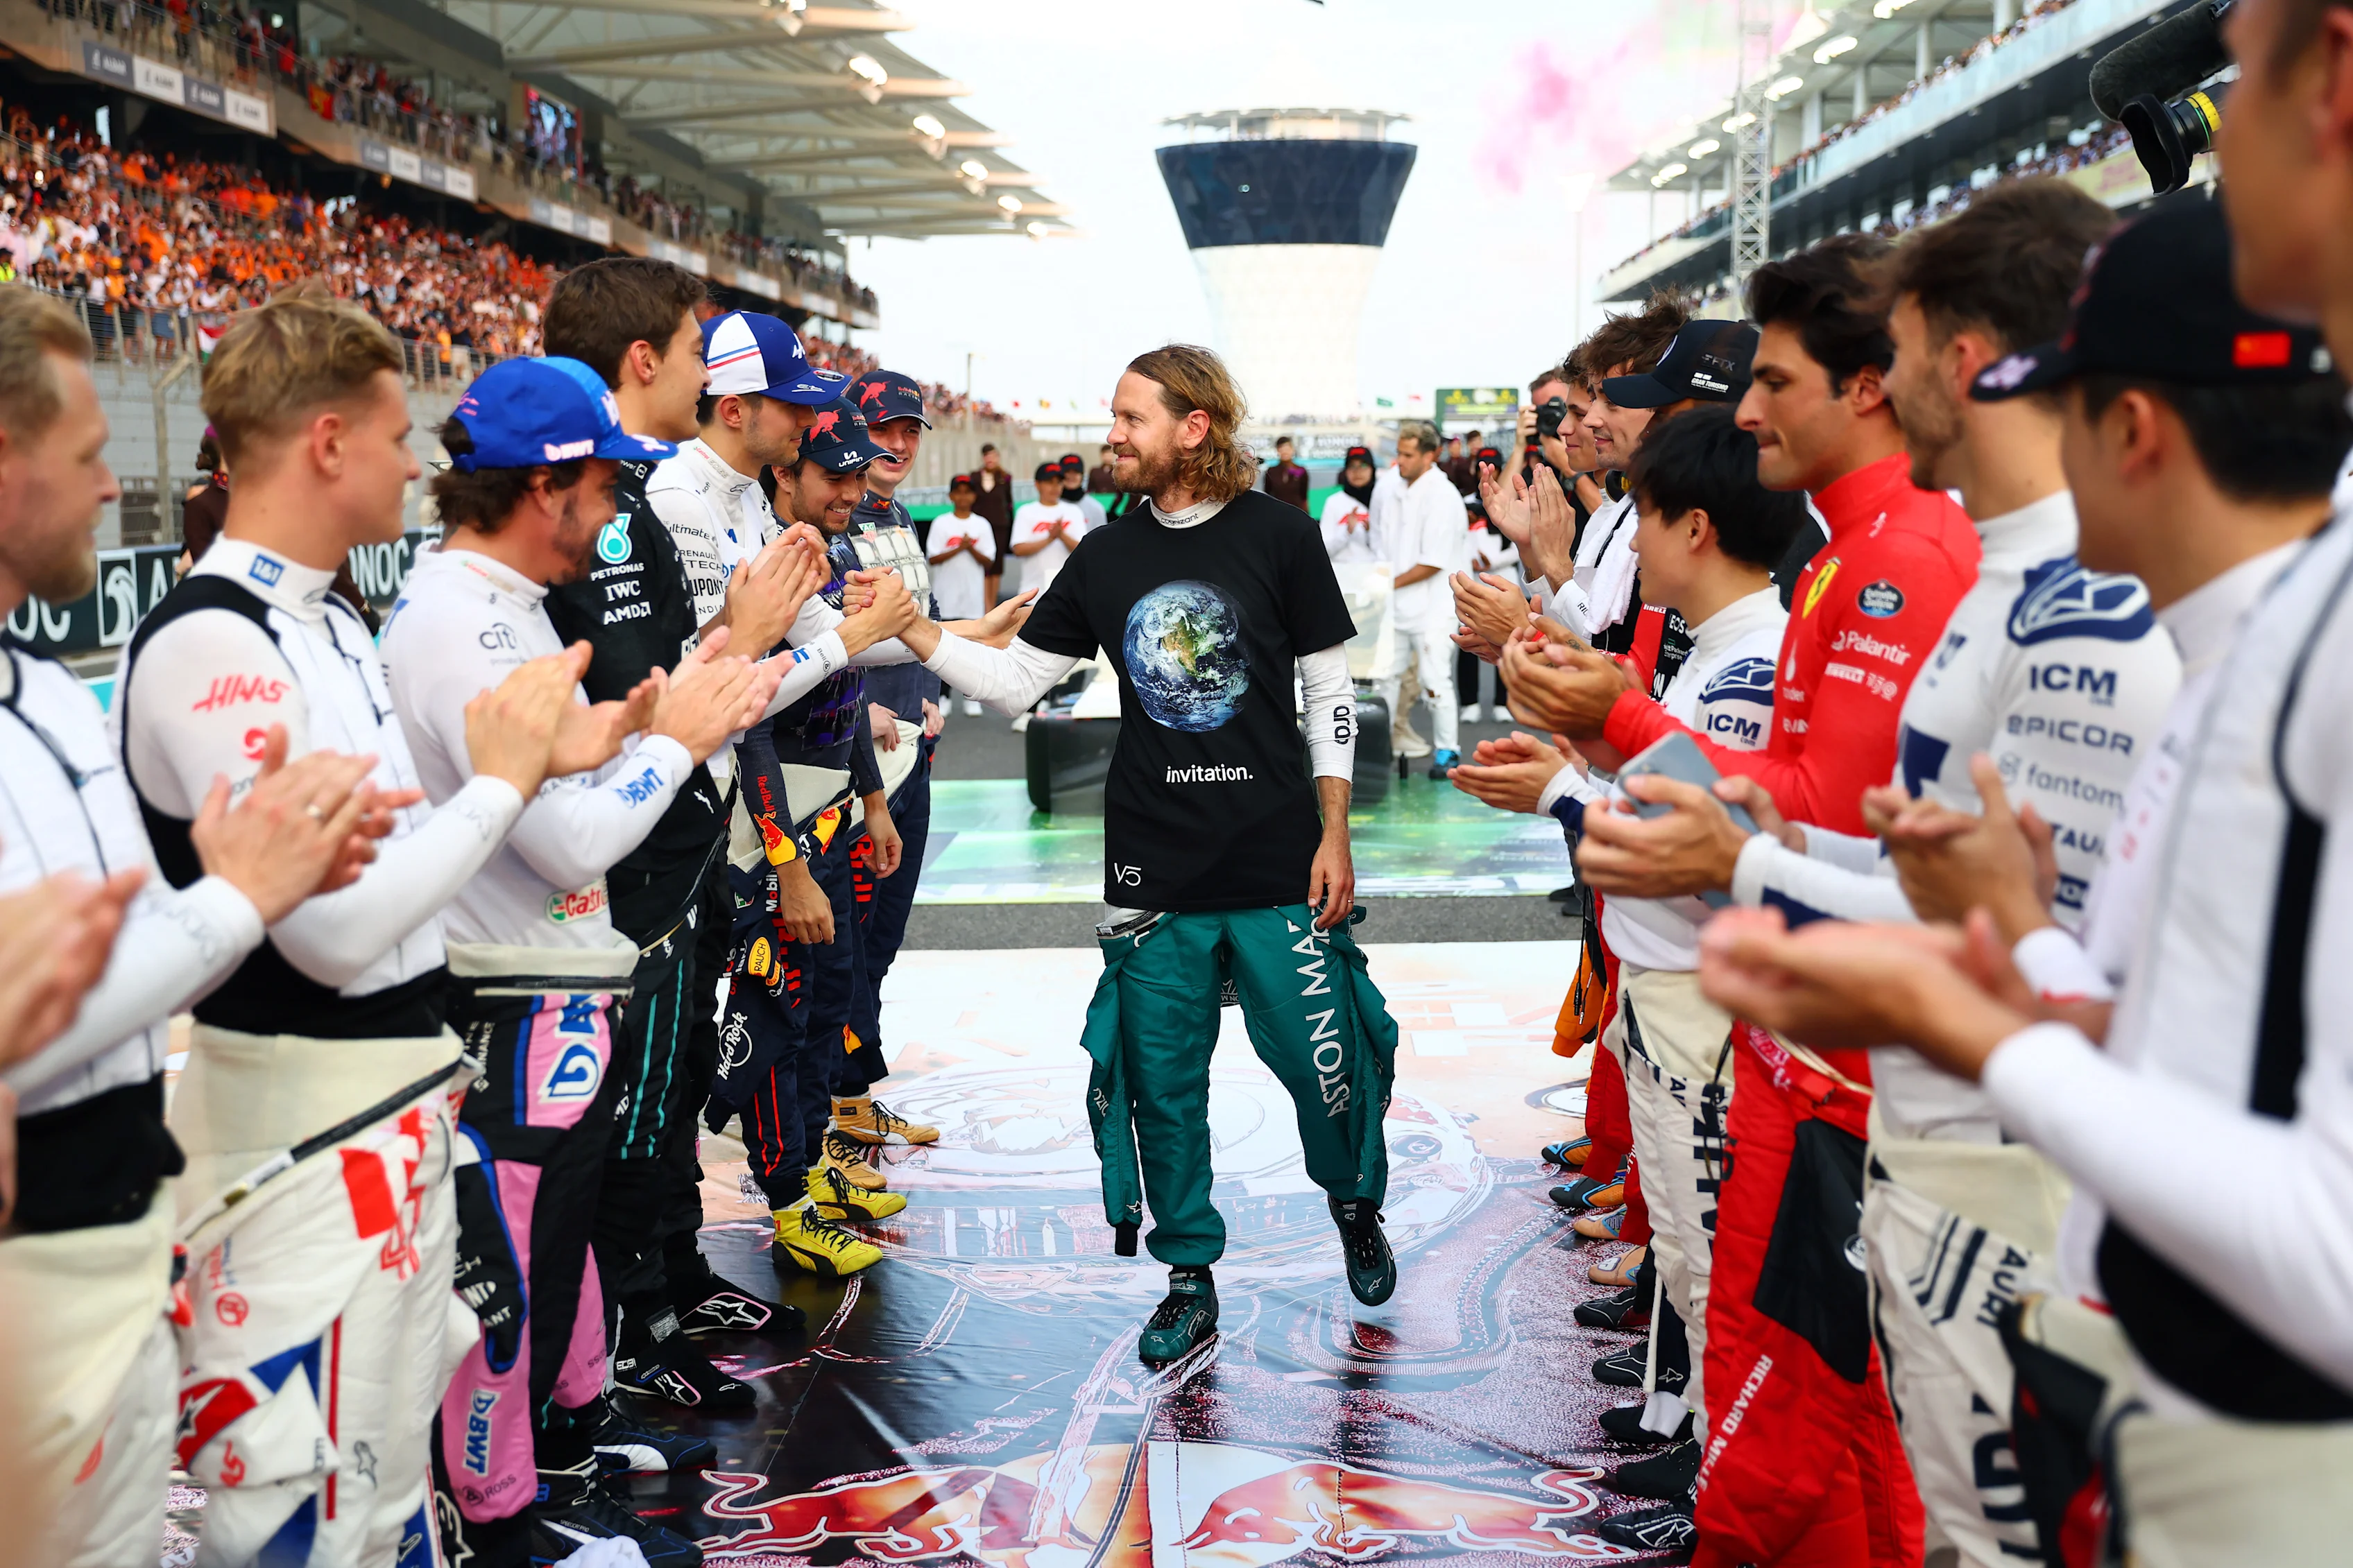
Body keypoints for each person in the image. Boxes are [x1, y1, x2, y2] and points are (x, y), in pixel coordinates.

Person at [1700, 178, 2353, 1561]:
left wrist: (1984, 1017)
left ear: (2126, 425)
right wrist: (2015, 953)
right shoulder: (2242, 638)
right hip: (2092, 1285)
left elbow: (2321, 1225)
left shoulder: (2238, 650)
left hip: (2192, 1373)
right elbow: (2167, 1014)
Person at [1585, 184, 2180, 1568]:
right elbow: (1922, 866)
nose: (1749, 411)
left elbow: (2007, 925)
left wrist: (1737, 852)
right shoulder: (1988, 569)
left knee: (1964, 1522)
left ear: (1957, 365)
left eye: (1890, 353)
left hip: (1983, 1162)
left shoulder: (2016, 583)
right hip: (1917, 1134)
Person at [1512, 239, 1981, 1568]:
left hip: (1849, 1065)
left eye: (1769, 381)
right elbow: (1786, 799)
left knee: (1834, 1413)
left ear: (1872, 389)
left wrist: (1613, 727)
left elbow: (1813, 825)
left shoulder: (1902, 557)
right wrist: (1609, 734)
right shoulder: (1848, 554)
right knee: (1797, 1405)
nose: (1750, 415)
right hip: (1805, 1043)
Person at [117, 292, 590, 1566]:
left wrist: (551, 758)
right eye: (394, 434)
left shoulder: (322, 620)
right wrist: (502, 781)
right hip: (297, 1141)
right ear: (327, 442)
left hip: (392, 1106)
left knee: (379, 1511)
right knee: (301, 1523)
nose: (415, 463)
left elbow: (388, 885)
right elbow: (331, 937)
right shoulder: (216, 640)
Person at [895, 344, 1396, 1368]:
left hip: (1279, 859)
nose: (1110, 438)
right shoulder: (1107, 555)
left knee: (1325, 1060)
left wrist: (1335, 827)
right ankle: (1187, 1275)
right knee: (1161, 1085)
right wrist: (911, 630)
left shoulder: (1280, 537)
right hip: (1153, 871)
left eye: (1128, 419)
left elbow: (1329, 694)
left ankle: (1353, 1200)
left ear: (1193, 428)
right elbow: (1013, 686)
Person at [0, 286, 398, 1568]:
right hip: (50, 1256)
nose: (119, 480)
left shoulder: (52, 693)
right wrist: (241, 893)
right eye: (88, 456)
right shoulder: (178, 646)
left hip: (122, 1224)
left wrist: (226, 896)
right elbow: (37, 1003)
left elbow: (111, 962)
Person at [382, 356, 791, 1565]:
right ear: (546, 485)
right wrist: (676, 742)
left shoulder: (502, 602)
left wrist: (642, 735)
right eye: (607, 486)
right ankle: (502, 1516)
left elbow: (574, 801)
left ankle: (557, 1461)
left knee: (551, 1260)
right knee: (506, 1279)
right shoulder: (462, 619)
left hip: (555, 977)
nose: (617, 514)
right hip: (502, 999)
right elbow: (566, 831)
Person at [1455, 406, 1806, 1555]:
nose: (1627, 544)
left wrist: (1560, 792)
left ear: (1693, 527)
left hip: (1704, 1003)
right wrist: (1575, 756)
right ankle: (1707, 1456)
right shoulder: (1722, 650)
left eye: (1641, 520)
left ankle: (1723, 1483)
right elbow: (1662, 791)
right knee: (1691, 1265)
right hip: (1668, 993)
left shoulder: (1748, 661)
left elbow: (1696, 848)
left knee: (1715, 1277)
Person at [537, 265, 812, 1425]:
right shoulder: (621, 506)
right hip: (618, 850)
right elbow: (654, 688)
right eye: (693, 353)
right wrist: (758, 643)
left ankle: (651, 1299)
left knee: (668, 1080)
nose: (706, 381)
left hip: (663, 830)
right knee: (624, 1108)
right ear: (644, 364)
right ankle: (619, 1334)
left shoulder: (635, 501)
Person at [711, 399, 922, 1277]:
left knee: (830, 1004)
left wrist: (871, 803)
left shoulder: (828, 552)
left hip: (830, 815)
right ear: (784, 473)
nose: (848, 489)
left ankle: (819, 1168)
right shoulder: (767, 568)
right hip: (772, 839)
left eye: (853, 473)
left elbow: (842, 709)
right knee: (778, 1019)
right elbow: (751, 722)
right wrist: (788, 861)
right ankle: (790, 1206)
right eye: (830, 475)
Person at [847, 369, 951, 1112]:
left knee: (882, 933)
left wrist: (934, 692)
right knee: (842, 938)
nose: (897, 443)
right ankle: (829, 1101)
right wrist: (857, 706)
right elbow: (812, 639)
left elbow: (929, 620)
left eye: (909, 429)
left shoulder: (900, 515)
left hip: (913, 753)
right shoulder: (828, 517)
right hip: (850, 761)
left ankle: (856, 1088)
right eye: (882, 428)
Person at [1379, 421, 1468, 777]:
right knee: (1386, 678)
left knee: (1435, 679)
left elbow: (1432, 563)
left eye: (1408, 454)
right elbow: (1379, 541)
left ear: (1431, 455)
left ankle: (1448, 751)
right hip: (1397, 604)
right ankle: (1379, 746)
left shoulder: (1443, 495)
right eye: (1398, 453)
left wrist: (1383, 586)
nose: (1400, 461)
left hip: (1436, 606)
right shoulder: (1391, 489)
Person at [1011, 460, 1090, 598]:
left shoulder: (1073, 511)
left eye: (1058, 482)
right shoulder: (1026, 512)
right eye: (1049, 482)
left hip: (1066, 593)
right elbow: (1018, 549)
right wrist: (1049, 539)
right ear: (1037, 485)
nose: (1055, 487)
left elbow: (1082, 550)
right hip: (1032, 593)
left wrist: (1061, 535)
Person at [1319, 445, 1380, 565]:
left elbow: (1389, 549)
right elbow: (1324, 550)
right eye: (1352, 467)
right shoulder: (1334, 502)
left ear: (1372, 470)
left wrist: (1370, 533)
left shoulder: (1381, 500)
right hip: (1341, 575)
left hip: (1373, 576)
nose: (1357, 472)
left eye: (1363, 466)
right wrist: (1347, 532)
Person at [972, 441, 1016, 605]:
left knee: (997, 565)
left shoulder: (1005, 478)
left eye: (992, 455)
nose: (990, 459)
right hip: (980, 526)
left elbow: (1009, 503)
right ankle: (983, 604)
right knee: (983, 563)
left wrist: (1010, 524)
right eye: (986, 456)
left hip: (999, 526)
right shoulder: (975, 477)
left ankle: (992, 603)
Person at [1263, 433, 1309, 511]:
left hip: (1297, 512)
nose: (1285, 452)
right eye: (1281, 449)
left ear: (1292, 449)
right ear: (1277, 450)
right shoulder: (1271, 472)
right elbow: (1267, 494)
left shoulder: (1301, 471)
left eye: (1287, 448)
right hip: (1277, 512)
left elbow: (1304, 497)